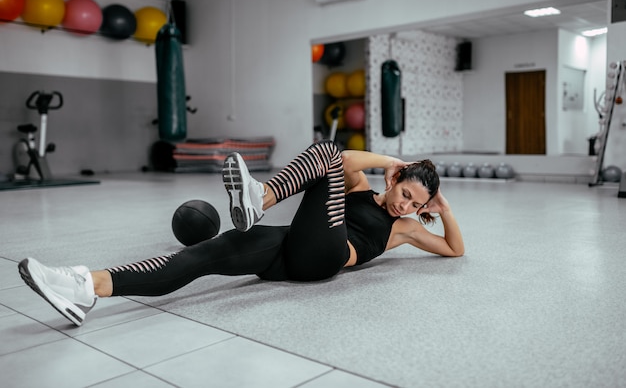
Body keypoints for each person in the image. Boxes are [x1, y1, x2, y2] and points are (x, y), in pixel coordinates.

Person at [18, 140, 464, 327]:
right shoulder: (366, 186)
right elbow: (348, 162)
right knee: (209, 254)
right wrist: (392, 161)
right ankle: (86, 286)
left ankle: (262, 197)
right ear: (394, 181)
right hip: (292, 248)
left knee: (324, 151)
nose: (407, 205)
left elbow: (453, 249)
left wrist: (442, 209)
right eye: (405, 192)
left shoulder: (403, 230)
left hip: (328, 256)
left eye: (415, 203)